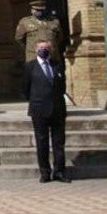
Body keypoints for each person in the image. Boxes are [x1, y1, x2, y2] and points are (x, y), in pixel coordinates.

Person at [21, 40, 68, 183]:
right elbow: (25, 89)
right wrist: (37, 100)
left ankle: (59, 172)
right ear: (36, 50)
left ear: (51, 49)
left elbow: (62, 87)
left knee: (58, 143)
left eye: (46, 48)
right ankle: (45, 172)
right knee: (42, 143)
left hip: (57, 109)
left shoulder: (57, 65)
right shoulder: (30, 67)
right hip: (39, 109)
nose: (44, 50)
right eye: (41, 48)